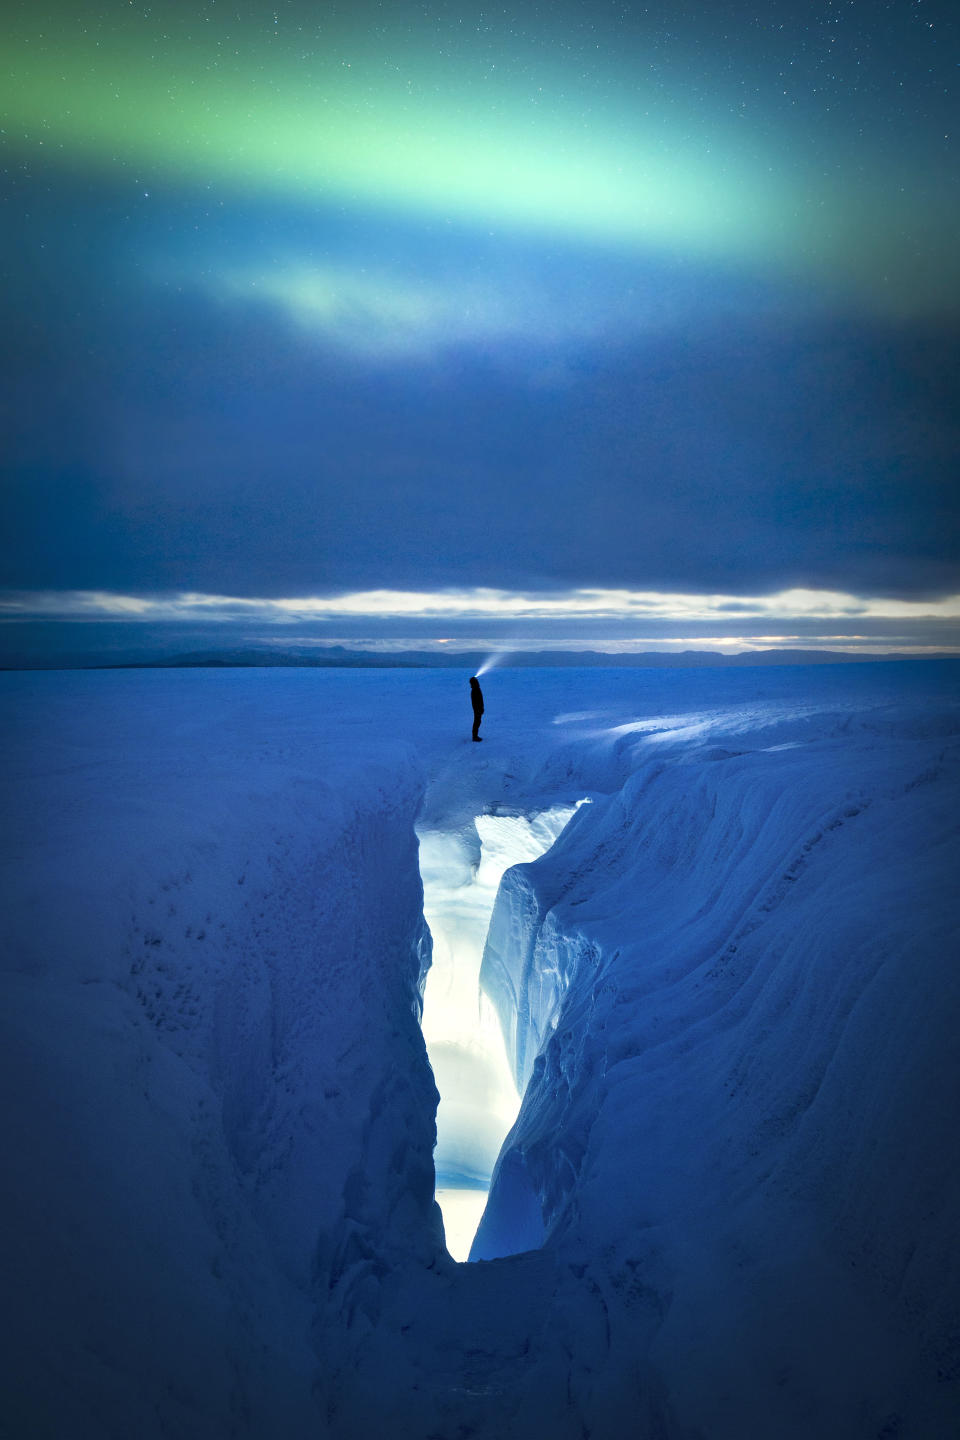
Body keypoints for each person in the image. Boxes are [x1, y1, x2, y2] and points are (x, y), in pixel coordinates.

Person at [469, 676, 484, 741]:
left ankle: (475, 736)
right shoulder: (475, 690)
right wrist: (478, 710)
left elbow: (480, 700)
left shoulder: (476, 689)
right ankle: (474, 737)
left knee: (478, 721)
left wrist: (482, 708)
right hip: (477, 709)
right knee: (477, 722)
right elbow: (475, 702)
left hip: (479, 709)